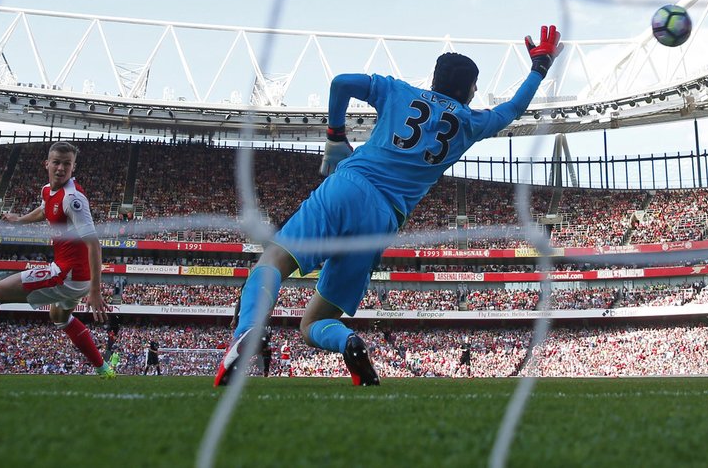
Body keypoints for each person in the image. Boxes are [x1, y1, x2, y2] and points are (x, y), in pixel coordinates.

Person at [215, 26, 562, 387]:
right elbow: (514, 108)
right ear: (469, 89)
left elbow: (341, 83)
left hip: (349, 185)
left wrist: (335, 137)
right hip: (383, 219)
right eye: (475, 86)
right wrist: (539, 67)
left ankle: (249, 332)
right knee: (314, 323)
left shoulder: (398, 91)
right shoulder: (470, 123)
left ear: (434, 79)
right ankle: (347, 341)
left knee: (274, 261)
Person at [0, 141, 112, 380]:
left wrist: (95, 290)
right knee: (59, 317)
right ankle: (104, 370)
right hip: (74, 276)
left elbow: (94, 243)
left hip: (69, 274)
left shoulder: (73, 199)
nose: (61, 168)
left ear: (73, 168)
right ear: (47, 164)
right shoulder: (48, 191)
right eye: (57, 163)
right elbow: (43, 210)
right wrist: (19, 220)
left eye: (67, 164)